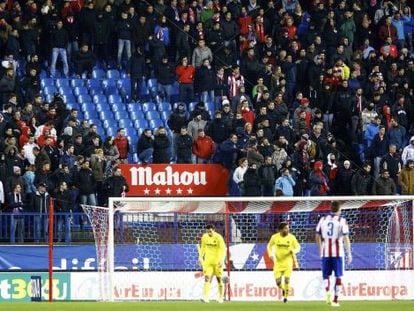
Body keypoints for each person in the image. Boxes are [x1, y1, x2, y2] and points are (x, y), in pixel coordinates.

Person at [315, 201, 352, 307]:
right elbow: (345, 237)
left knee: (326, 276)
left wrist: (320, 248)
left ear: (330, 208)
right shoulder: (342, 221)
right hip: (338, 253)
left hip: (325, 253)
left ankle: (327, 295)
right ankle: (335, 300)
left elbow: (317, 235)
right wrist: (349, 253)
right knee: (338, 276)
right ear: (339, 209)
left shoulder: (323, 219)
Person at [267, 222, 301, 303]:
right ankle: (283, 289)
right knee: (278, 283)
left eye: (288, 228)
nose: (288, 230)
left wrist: (294, 250)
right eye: (286, 228)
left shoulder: (292, 237)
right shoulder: (274, 237)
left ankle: (285, 297)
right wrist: (270, 254)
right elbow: (269, 246)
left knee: (287, 280)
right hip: (278, 263)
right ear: (281, 230)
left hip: (288, 263)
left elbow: (298, 247)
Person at [198, 224, 226, 303]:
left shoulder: (219, 237)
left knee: (219, 279)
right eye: (207, 231)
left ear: (214, 230)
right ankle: (206, 297)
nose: (209, 233)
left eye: (210, 231)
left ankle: (221, 297)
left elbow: (223, 249)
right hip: (208, 262)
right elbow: (202, 247)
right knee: (207, 279)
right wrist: (200, 257)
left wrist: (222, 260)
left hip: (217, 262)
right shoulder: (204, 237)